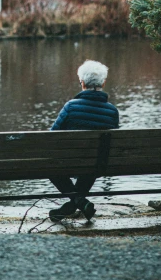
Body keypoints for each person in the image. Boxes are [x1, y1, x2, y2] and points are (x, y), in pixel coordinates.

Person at [48, 59, 119, 222]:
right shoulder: (112, 111)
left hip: (70, 163)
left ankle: (78, 202)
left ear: (82, 83)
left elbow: (51, 137)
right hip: (98, 165)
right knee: (93, 162)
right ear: (104, 82)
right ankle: (79, 203)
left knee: (50, 166)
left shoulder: (71, 107)